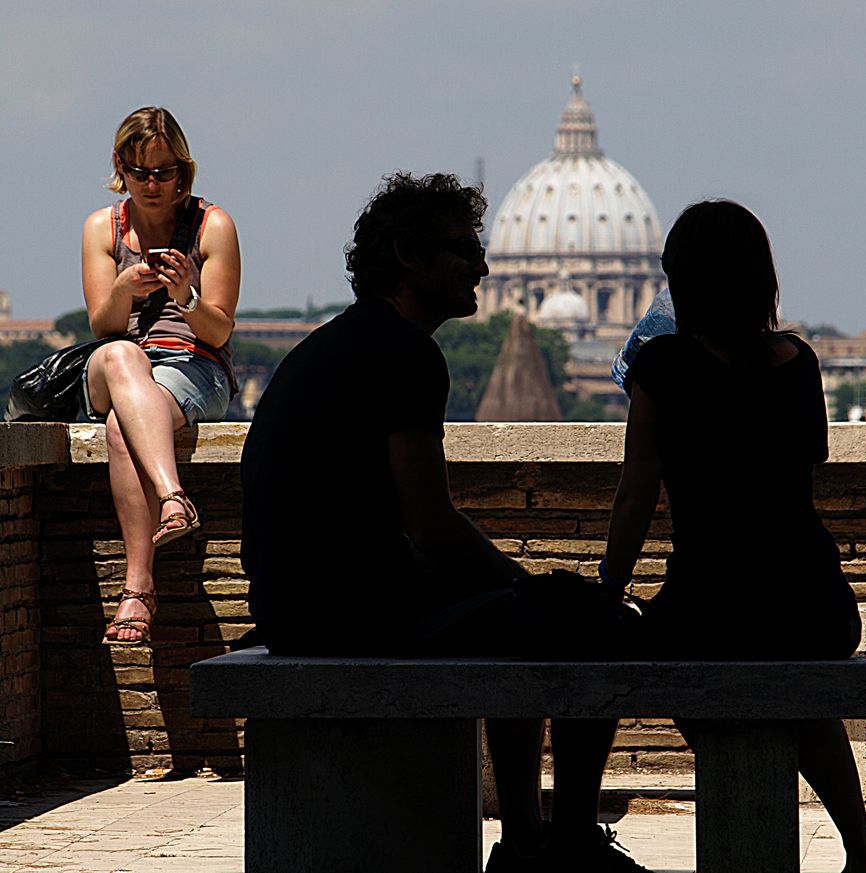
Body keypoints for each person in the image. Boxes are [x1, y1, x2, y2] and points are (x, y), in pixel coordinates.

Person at [241, 171, 648, 872]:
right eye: (463, 248)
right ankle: (565, 839)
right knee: (594, 624)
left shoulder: (339, 343)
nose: (483, 266)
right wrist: (531, 584)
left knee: (516, 616)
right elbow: (431, 524)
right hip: (351, 610)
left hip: (302, 601)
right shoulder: (405, 353)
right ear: (406, 253)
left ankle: (524, 836)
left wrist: (517, 591)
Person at [602, 200, 866, 873]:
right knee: (795, 688)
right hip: (817, 605)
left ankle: (564, 834)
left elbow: (636, 491)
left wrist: (608, 589)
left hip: (709, 609)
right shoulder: (802, 360)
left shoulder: (662, 366)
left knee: (613, 652)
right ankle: (859, 844)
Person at [82, 107, 240, 645]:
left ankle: (138, 590)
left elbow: (217, 333)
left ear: (183, 172)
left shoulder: (213, 225)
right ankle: (174, 496)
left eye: (164, 172)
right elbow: (102, 326)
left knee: (122, 429)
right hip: (117, 363)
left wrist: (186, 297)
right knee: (124, 355)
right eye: (140, 172)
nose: (152, 185)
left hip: (193, 366)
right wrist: (124, 289)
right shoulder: (102, 228)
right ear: (121, 169)